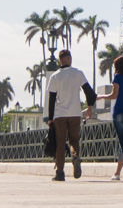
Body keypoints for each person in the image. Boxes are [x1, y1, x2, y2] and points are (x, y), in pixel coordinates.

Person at [44, 50, 96, 181]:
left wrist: (50, 118)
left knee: (60, 144)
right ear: (70, 59)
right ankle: (75, 155)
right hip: (75, 113)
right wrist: (89, 107)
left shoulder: (55, 76)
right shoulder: (78, 73)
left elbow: (51, 99)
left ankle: (60, 173)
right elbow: (89, 92)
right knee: (74, 141)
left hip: (60, 115)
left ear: (60, 60)